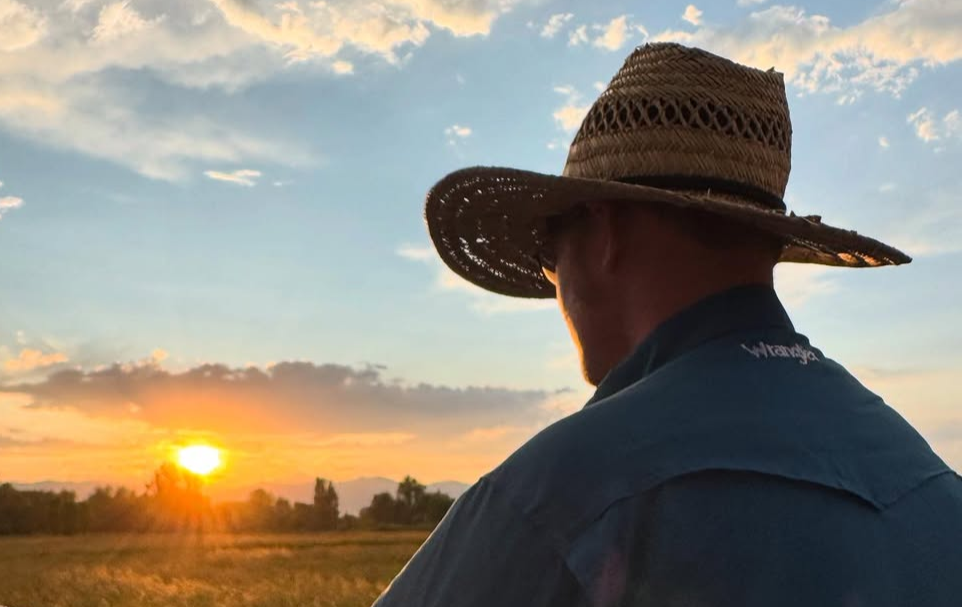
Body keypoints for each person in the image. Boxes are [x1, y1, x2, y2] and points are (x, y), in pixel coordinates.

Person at [372, 43, 962, 606]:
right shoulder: (928, 481)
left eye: (552, 256)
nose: (557, 286)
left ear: (605, 235)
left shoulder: (559, 499)